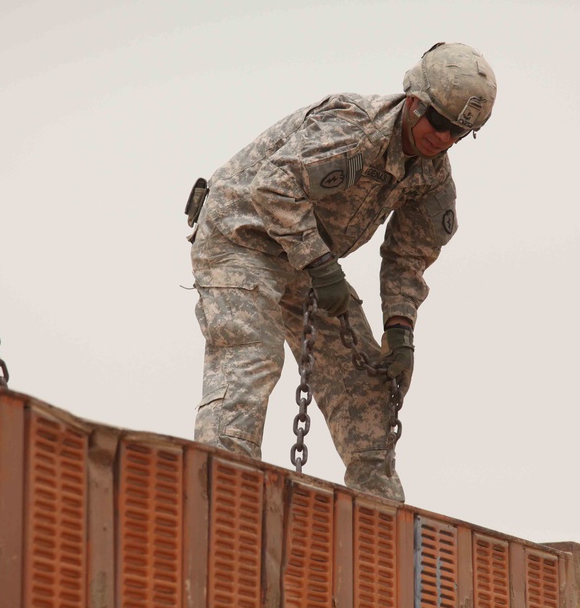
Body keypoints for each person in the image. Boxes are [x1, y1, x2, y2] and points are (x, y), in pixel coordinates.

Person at [186, 42, 497, 502]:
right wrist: (321, 266)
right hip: (241, 238)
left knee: (366, 388)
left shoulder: (432, 177)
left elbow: (409, 257)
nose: (445, 138)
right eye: (441, 123)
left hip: (310, 261)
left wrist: (400, 329)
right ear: (415, 103)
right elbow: (272, 187)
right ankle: (220, 497)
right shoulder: (354, 129)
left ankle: (380, 523)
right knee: (252, 356)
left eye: (459, 132)